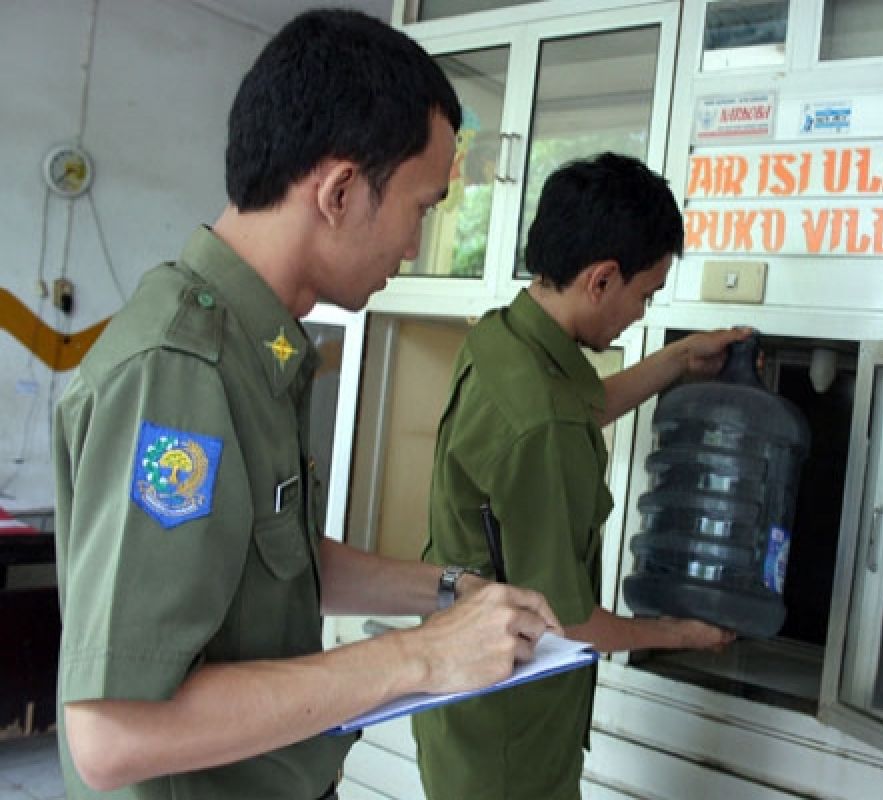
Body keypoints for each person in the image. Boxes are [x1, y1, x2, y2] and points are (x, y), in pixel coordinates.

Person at [52, 11, 559, 800]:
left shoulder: (266, 349)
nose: (416, 246)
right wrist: (418, 657)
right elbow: (113, 733)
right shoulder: (180, 373)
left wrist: (451, 593)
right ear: (341, 191)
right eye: (421, 209)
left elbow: (275, 565)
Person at [413, 152, 745, 800]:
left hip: (463, 708)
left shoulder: (506, 338)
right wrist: (681, 633)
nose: (640, 314)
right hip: (511, 738)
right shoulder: (542, 424)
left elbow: (581, 406)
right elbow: (571, 622)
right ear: (600, 279)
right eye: (644, 295)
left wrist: (677, 360)